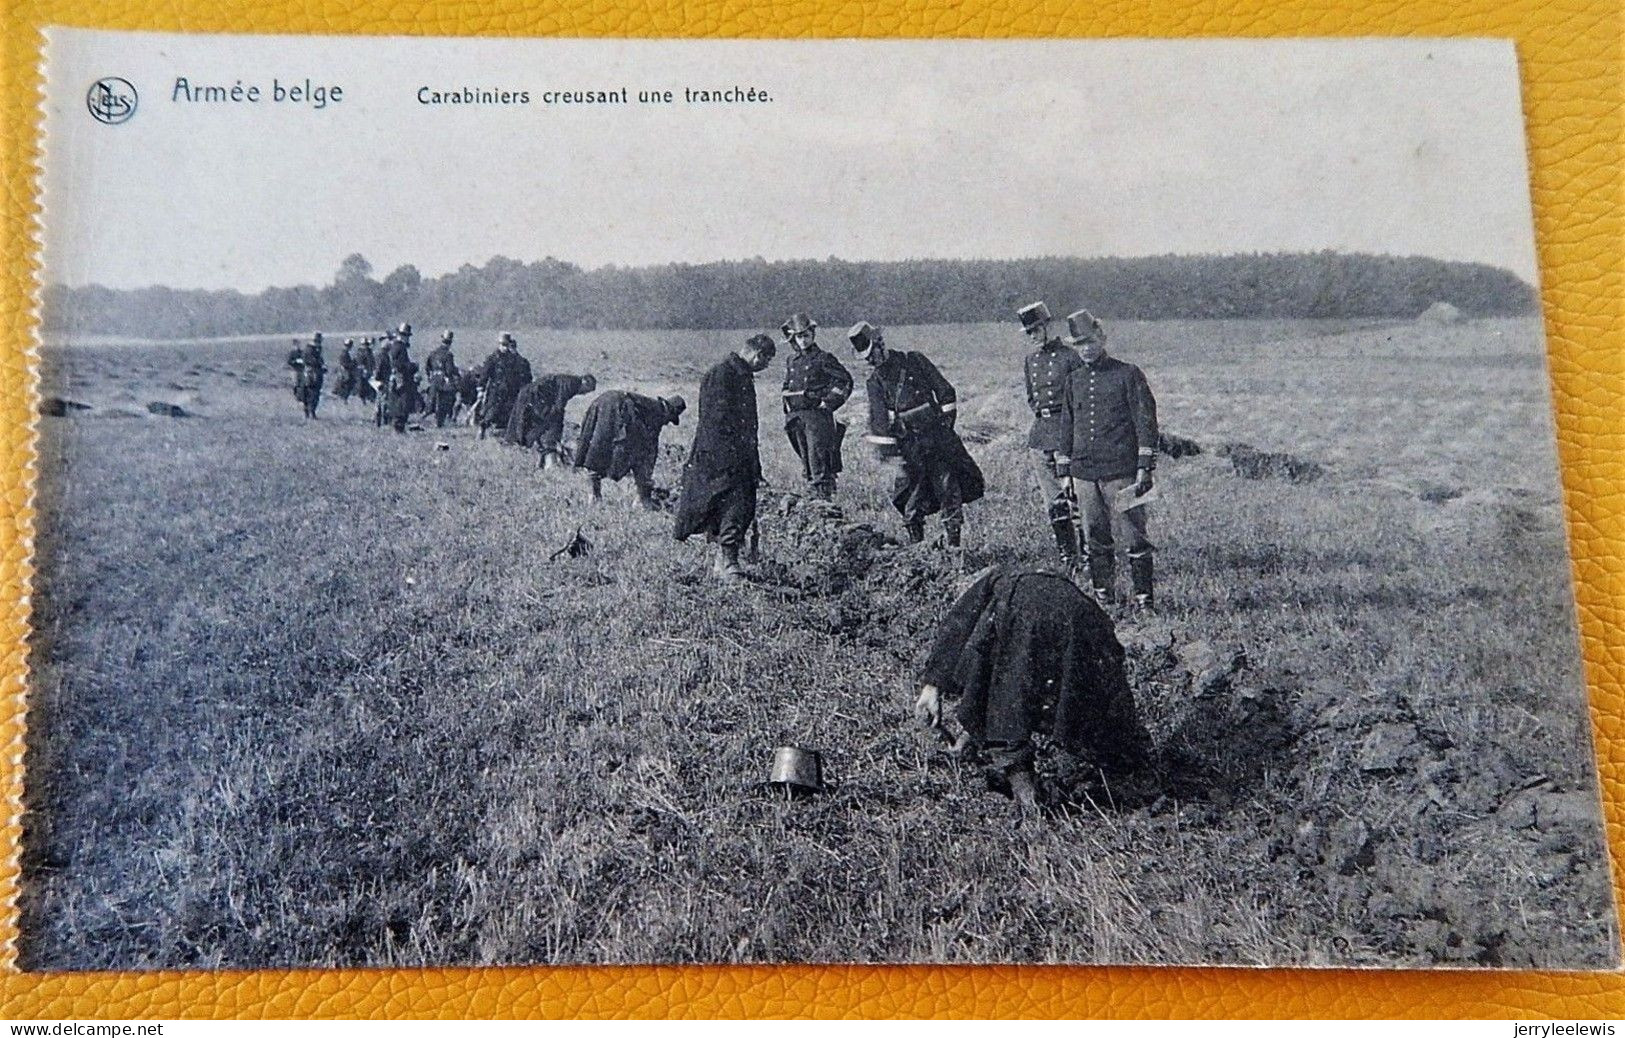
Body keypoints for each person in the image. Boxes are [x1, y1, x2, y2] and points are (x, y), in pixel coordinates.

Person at [913, 565, 1152, 812]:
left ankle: (1026, 794)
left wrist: (932, 687)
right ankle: (1122, 758)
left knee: (1008, 685)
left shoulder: (995, 596)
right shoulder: (1028, 582)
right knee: (1083, 687)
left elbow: (957, 633)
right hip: (1085, 615)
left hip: (1032, 614)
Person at [1057, 309, 1159, 609]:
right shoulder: (1073, 380)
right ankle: (1105, 598)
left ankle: (1144, 599)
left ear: (1102, 339)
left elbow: (1145, 423)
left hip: (1122, 471)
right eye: (1079, 344)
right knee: (1095, 537)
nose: (1086, 348)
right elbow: (1068, 425)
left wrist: (1144, 468)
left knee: (1134, 536)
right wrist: (1065, 471)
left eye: (1090, 341)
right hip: (1084, 472)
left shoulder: (1128, 374)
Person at [850, 322, 984, 547]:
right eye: (867, 359)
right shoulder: (875, 382)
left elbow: (945, 392)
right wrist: (891, 455)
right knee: (911, 501)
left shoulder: (913, 361)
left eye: (872, 353)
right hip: (909, 447)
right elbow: (879, 421)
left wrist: (944, 427)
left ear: (881, 344)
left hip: (937, 440)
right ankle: (917, 551)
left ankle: (953, 547)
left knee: (949, 490)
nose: (871, 361)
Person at [675, 333, 776, 582]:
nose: (766, 366)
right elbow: (717, 420)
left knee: (735, 506)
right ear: (756, 354)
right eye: (766, 360)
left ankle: (723, 562)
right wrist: (735, 457)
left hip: (733, 455)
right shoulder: (723, 375)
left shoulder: (738, 374)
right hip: (723, 457)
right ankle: (728, 563)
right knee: (735, 505)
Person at [1019, 301, 1088, 565]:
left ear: (1048, 326)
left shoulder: (1070, 357)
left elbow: (1081, 397)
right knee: (1054, 500)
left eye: (1036, 330)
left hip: (1066, 433)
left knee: (1075, 497)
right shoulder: (1030, 360)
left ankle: (1086, 555)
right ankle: (1068, 556)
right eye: (1029, 332)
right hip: (1040, 436)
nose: (1033, 336)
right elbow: (1031, 398)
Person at [779, 312, 852, 500]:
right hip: (796, 416)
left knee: (818, 457)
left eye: (806, 335)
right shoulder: (791, 361)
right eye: (798, 336)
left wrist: (826, 402)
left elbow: (844, 381)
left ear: (813, 334)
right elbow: (787, 385)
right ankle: (814, 497)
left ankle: (825, 499)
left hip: (816, 417)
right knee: (806, 459)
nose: (802, 340)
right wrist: (786, 402)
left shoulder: (823, 358)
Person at [573, 390, 686, 509]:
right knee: (603, 448)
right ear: (670, 411)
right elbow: (649, 449)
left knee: (597, 445)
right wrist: (645, 485)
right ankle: (640, 501)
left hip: (602, 400)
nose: (667, 423)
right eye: (670, 419)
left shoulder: (651, 406)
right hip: (616, 406)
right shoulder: (658, 412)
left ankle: (594, 495)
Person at [505, 372, 597, 467]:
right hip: (531, 396)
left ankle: (531, 449)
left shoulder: (571, 383)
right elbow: (559, 405)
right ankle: (517, 452)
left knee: (541, 424)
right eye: (587, 390)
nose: (584, 394)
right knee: (526, 425)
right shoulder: (572, 383)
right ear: (584, 382)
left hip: (534, 397)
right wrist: (557, 429)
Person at [474, 332, 534, 439]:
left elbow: (519, 376)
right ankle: (482, 429)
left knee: (508, 414)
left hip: (509, 392)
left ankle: (503, 436)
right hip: (495, 392)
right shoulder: (492, 358)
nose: (505, 348)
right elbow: (485, 375)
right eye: (503, 345)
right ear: (499, 344)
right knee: (491, 413)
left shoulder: (513, 359)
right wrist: (481, 389)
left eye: (506, 345)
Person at [375, 323, 419, 433]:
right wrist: (413, 367)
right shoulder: (401, 347)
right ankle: (398, 428)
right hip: (401, 379)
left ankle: (397, 426)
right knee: (402, 404)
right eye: (407, 335)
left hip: (396, 379)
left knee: (398, 403)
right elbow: (400, 365)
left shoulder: (394, 346)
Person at [424, 330, 461, 428]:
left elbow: (427, 367)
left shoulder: (433, 353)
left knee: (432, 400)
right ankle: (442, 420)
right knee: (445, 401)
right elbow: (449, 370)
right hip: (444, 381)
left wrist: (430, 377)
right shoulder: (448, 355)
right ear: (450, 342)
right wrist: (456, 373)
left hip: (434, 380)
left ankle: (430, 417)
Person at [294, 333, 326, 419]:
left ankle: (311, 412)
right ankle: (309, 412)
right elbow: (310, 361)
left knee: (315, 394)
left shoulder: (317, 349)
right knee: (310, 394)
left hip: (315, 374)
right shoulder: (309, 349)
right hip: (311, 375)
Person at [333, 338, 359, 403]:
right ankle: (343, 398)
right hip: (345, 372)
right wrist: (353, 364)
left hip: (345, 372)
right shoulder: (344, 353)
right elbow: (345, 364)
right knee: (347, 385)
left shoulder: (346, 353)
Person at [354, 338, 378, 406]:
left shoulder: (369, 351)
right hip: (362, 372)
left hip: (369, 371)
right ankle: (363, 400)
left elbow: (372, 361)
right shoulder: (360, 352)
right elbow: (358, 362)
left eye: (366, 344)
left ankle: (371, 399)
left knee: (370, 386)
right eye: (364, 344)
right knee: (362, 386)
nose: (365, 346)